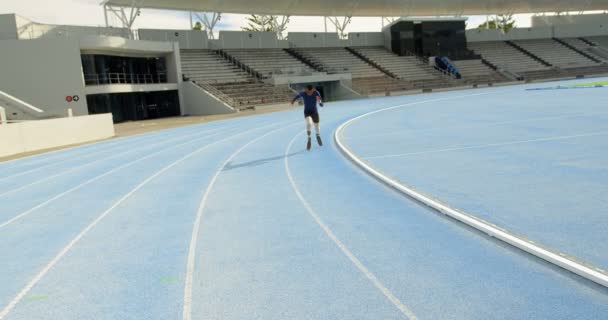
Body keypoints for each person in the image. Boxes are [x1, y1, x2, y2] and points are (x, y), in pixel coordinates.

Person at [291, 85, 324, 151]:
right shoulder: (303, 93)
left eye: (310, 92)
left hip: (314, 112)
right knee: (308, 123)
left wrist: (320, 103)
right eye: (308, 91)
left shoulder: (316, 93)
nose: (309, 93)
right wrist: (293, 101)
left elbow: (319, 99)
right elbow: (297, 96)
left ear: (312, 90)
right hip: (307, 112)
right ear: (306, 90)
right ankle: (309, 138)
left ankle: (318, 135)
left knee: (316, 125)